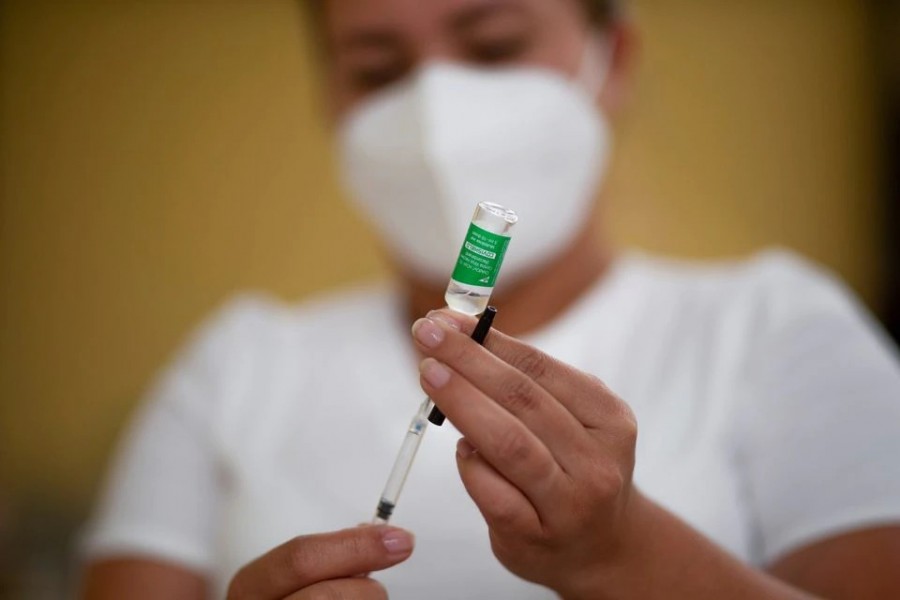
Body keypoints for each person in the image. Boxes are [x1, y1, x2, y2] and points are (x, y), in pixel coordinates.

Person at [80, 0, 900, 598]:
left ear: (611, 59)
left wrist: (624, 557)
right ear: (331, 96)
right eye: (377, 69)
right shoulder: (238, 364)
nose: (436, 115)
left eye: (495, 46)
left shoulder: (774, 328)